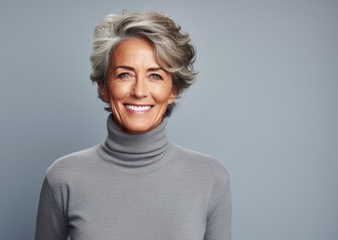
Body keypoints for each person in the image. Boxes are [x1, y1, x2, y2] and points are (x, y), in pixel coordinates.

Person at [34, 11, 231, 240]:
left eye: (155, 76)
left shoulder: (210, 177)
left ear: (173, 90)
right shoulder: (63, 177)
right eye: (125, 74)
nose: (139, 91)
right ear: (103, 86)